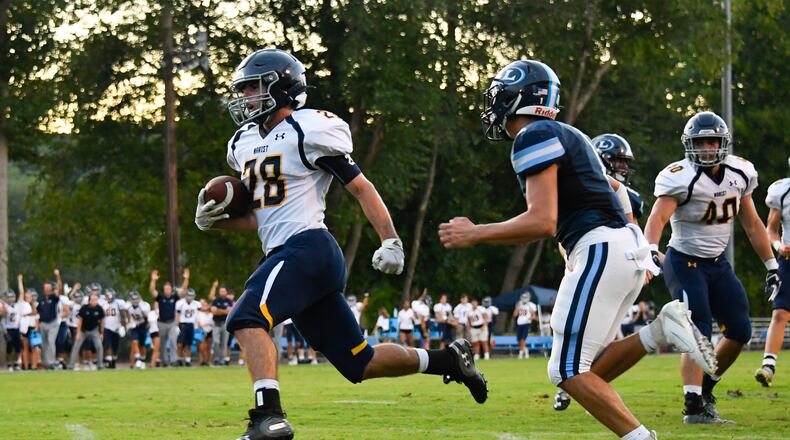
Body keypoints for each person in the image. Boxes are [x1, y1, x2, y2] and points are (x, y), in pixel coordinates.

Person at [195, 47, 486, 439]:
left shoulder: (308, 129)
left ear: (281, 87)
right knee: (359, 363)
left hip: (308, 248)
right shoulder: (243, 142)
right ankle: (448, 360)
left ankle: (269, 417)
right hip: (289, 255)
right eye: (244, 89)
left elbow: (361, 188)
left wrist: (391, 240)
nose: (246, 97)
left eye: (253, 87)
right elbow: (258, 218)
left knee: (246, 317)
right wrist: (213, 222)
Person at [439, 59, 716, 440]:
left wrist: (475, 233)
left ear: (518, 97)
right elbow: (621, 193)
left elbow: (542, 221)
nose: (494, 104)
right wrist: (637, 240)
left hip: (599, 248)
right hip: (617, 250)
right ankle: (659, 332)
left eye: (499, 95)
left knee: (565, 371)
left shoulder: (532, 135)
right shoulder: (570, 133)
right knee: (585, 367)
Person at [644, 111, 779, 424]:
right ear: (689, 144)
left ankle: (705, 388)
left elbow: (752, 222)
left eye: (712, 141)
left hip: (717, 264)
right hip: (684, 261)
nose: (706, 147)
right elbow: (657, 218)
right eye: (700, 142)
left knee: (740, 330)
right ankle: (693, 405)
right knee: (698, 327)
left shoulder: (740, 172)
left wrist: (771, 265)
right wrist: (650, 249)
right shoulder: (679, 176)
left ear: (723, 143)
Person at [756, 157, 790, 387]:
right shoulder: (782, 191)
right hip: (788, 259)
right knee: (780, 312)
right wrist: (779, 247)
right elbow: (770, 229)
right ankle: (768, 366)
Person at [593, 134, 645, 222]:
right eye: (620, 161)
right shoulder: (582, 186)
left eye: (626, 162)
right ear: (600, 159)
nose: (625, 167)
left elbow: (635, 233)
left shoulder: (630, 196)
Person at [150, 268, 189, 366]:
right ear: (163, 289)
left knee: (173, 341)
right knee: (162, 344)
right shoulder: (160, 297)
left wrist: (186, 279)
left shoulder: (174, 297)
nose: (167, 290)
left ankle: (174, 360)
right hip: (161, 323)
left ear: (171, 289)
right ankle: (164, 361)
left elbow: (184, 289)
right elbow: (152, 290)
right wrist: (153, 280)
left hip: (172, 323)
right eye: (165, 288)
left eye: (168, 288)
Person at [33, 269, 67, 369]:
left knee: (51, 342)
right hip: (43, 323)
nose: (47, 289)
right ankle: (45, 362)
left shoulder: (54, 298)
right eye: (45, 288)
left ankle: (51, 362)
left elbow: (59, 288)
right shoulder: (42, 299)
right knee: (43, 344)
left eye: (48, 288)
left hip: (52, 323)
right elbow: (37, 311)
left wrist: (57, 276)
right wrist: (27, 314)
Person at [68, 292, 105, 370]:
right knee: (76, 346)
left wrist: (101, 333)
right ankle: (71, 365)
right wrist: (78, 333)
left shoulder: (99, 309)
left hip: (94, 330)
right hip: (83, 331)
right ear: (89, 300)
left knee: (99, 346)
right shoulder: (84, 308)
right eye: (93, 299)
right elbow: (80, 321)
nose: (94, 301)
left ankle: (100, 365)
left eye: (96, 300)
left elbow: (102, 321)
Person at [101, 288, 127, 369]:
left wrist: (123, 326)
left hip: (116, 328)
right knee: (107, 345)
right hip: (106, 327)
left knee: (115, 347)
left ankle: (114, 359)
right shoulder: (103, 303)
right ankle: (108, 361)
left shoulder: (119, 303)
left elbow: (123, 315)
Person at [209, 280, 234, 366]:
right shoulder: (216, 300)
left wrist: (218, 310)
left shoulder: (229, 301)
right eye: (221, 291)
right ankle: (216, 359)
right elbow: (213, 311)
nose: (222, 292)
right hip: (216, 324)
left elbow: (230, 312)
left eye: (223, 291)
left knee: (224, 343)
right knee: (215, 342)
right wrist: (224, 311)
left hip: (225, 324)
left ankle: (222, 360)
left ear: (226, 292)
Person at [175, 288, 201, 367]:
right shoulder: (180, 303)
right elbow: (177, 315)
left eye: (191, 295)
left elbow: (198, 315)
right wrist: (177, 325)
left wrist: (198, 324)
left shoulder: (197, 304)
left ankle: (188, 361)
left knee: (188, 344)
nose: (190, 297)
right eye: (188, 295)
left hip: (191, 325)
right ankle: (179, 359)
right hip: (182, 325)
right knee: (179, 344)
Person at [127, 291, 151, 369]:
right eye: (133, 299)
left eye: (136, 299)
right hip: (134, 327)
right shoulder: (128, 306)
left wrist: (141, 307)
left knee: (142, 345)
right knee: (134, 342)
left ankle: (143, 361)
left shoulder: (145, 305)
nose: (135, 301)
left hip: (143, 326)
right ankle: (138, 360)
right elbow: (128, 316)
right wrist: (128, 324)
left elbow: (147, 316)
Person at [2, 289, 23, 371]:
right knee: (9, 348)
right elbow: (3, 313)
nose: (10, 299)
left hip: (16, 328)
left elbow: (21, 293)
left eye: (12, 297)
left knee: (18, 348)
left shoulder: (18, 305)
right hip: (8, 329)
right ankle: (9, 364)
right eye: (8, 297)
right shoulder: (3, 306)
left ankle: (15, 363)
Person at [513, 292, 537, 360]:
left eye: (525, 297)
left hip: (527, 323)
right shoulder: (519, 304)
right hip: (520, 323)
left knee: (523, 338)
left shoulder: (531, 305)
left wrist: (528, 318)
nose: (524, 299)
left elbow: (534, 317)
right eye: (523, 297)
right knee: (519, 340)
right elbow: (515, 314)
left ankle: (521, 353)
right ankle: (525, 350)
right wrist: (517, 307)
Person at [196, 298, 214, 367]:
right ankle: (202, 361)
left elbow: (212, 323)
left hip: (209, 331)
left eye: (204, 303)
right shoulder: (198, 313)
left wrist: (207, 324)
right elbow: (198, 322)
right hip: (201, 331)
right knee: (201, 347)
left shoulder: (211, 314)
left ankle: (208, 361)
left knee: (209, 347)